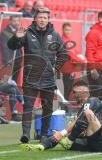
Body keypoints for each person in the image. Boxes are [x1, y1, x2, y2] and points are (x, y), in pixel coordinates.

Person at [7, 7, 69, 143]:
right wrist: (16, 37)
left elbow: (64, 54)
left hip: (48, 77)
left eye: (45, 18)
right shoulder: (27, 33)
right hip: (30, 76)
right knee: (28, 106)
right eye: (40, 17)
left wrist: (56, 68)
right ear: (35, 18)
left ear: (48, 20)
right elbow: (11, 46)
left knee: (47, 106)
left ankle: (44, 135)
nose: (42, 20)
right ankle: (25, 134)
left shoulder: (55, 35)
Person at [20, 80, 102, 152]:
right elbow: (75, 124)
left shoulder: (94, 100)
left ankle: (69, 140)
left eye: (74, 91)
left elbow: (81, 119)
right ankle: (42, 146)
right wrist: (59, 135)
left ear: (82, 91)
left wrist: (67, 135)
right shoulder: (82, 110)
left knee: (87, 113)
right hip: (88, 143)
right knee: (60, 134)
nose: (73, 94)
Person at [0, 16, 23, 82]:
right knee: (7, 80)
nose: (16, 23)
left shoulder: (19, 32)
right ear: (9, 21)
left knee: (14, 80)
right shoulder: (4, 32)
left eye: (17, 21)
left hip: (18, 60)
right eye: (14, 21)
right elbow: (4, 48)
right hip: (10, 60)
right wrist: (8, 61)